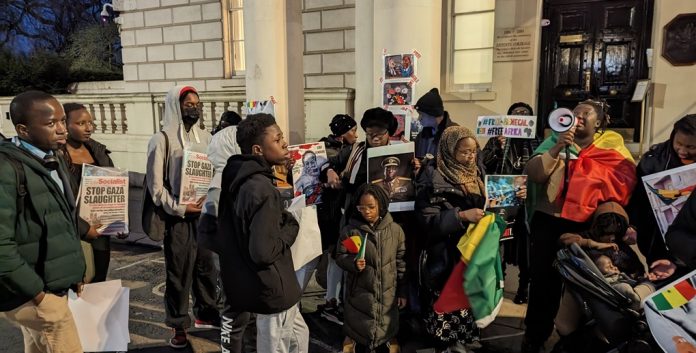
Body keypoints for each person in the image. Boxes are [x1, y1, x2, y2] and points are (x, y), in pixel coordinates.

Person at [521, 99, 638, 353]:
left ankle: (575, 339)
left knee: (584, 284)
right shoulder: (554, 139)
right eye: (575, 113)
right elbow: (534, 174)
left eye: (586, 114)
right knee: (542, 282)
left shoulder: (611, 146)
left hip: (585, 227)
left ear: (599, 123)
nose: (579, 117)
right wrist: (557, 150)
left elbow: (622, 182)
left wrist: (581, 166)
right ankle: (535, 336)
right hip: (548, 221)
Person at [0, 90, 86, 353]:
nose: (62, 130)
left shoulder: (52, 155)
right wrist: (39, 296)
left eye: (62, 121)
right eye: (51, 124)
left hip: (52, 286)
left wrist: (74, 273)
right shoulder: (6, 168)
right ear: (23, 130)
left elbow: (59, 216)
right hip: (34, 294)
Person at [217, 113, 309, 353]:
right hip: (272, 289)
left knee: (299, 337)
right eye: (277, 140)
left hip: (269, 286)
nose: (285, 144)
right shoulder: (261, 189)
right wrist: (291, 227)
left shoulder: (237, 175)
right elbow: (262, 252)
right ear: (258, 149)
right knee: (277, 345)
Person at [146, 85, 219, 348]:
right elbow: (155, 188)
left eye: (197, 103)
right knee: (179, 272)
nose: (194, 108)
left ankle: (205, 313)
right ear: (176, 105)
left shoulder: (207, 138)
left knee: (206, 268)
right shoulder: (162, 139)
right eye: (188, 103)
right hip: (178, 218)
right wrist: (179, 207)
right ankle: (178, 324)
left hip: (202, 215)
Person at [416, 126, 489, 352]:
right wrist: (460, 216)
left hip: (473, 251)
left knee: (469, 299)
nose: (469, 157)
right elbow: (427, 221)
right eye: (464, 152)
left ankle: (467, 337)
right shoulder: (432, 176)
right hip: (447, 253)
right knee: (449, 302)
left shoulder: (478, 172)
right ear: (449, 151)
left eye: (473, 152)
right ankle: (447, 343)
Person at [197, 123, 253, 353]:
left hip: (238, 262)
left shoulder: (234, 178)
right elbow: (209, 231)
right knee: (234, 318)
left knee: (244, 318)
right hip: (233, 265)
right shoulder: (220, 184)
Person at [336, 183, 407, 353]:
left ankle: (385, 340)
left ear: (381, 205)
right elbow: (340, 256)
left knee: (385, 326)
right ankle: (357, 341)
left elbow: (401, 262)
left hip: (388, 294)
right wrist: (352, 263)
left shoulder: (396, 231)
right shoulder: (350, 231)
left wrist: (402, 291)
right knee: (360, 328)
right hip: (359, 294)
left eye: (371, 207)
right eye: (362, 207)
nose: (366, 211)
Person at [480, 102, 539, 304]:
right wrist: (497, 147)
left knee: (525, 249)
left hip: (525, 203)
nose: (520, 117)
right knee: (500, 246)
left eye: (525, 114)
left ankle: (523, 288)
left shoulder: (536, 143)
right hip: (502, 201)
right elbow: (482, 163)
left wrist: (529, 189)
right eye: (516, 114)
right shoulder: (497, 140)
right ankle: (499, 284)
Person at [628, 114, 696, 272]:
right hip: (657, 245)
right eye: (679, 143)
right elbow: (638, 200)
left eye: (691, 147)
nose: (682, 151)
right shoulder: (653, 160)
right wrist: (633, 225)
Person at [61, 102, 117, 283]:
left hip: (100, 231)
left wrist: (120, 221)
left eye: (90, 123)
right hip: (73, 232)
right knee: (77, 285)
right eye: (81, 123)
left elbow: (114, 188)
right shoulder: (55, 156)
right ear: (65, 125)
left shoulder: (99, 151)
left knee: (98, 280)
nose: (89, 128)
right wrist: (84, 229)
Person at [316, 114, 358, 324]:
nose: (356, 134)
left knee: (335, 255)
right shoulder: (332, 152)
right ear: (343, 133)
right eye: (352, 130)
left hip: (332, 212)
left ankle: (331, 301)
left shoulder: (328, 148)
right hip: (328, 213)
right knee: (322, 255)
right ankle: (330, 301)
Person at [413, 88, 458, 160]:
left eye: (422, 115)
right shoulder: (422, 135)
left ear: (434, 114)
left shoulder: (455, 134)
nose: (419, 119)